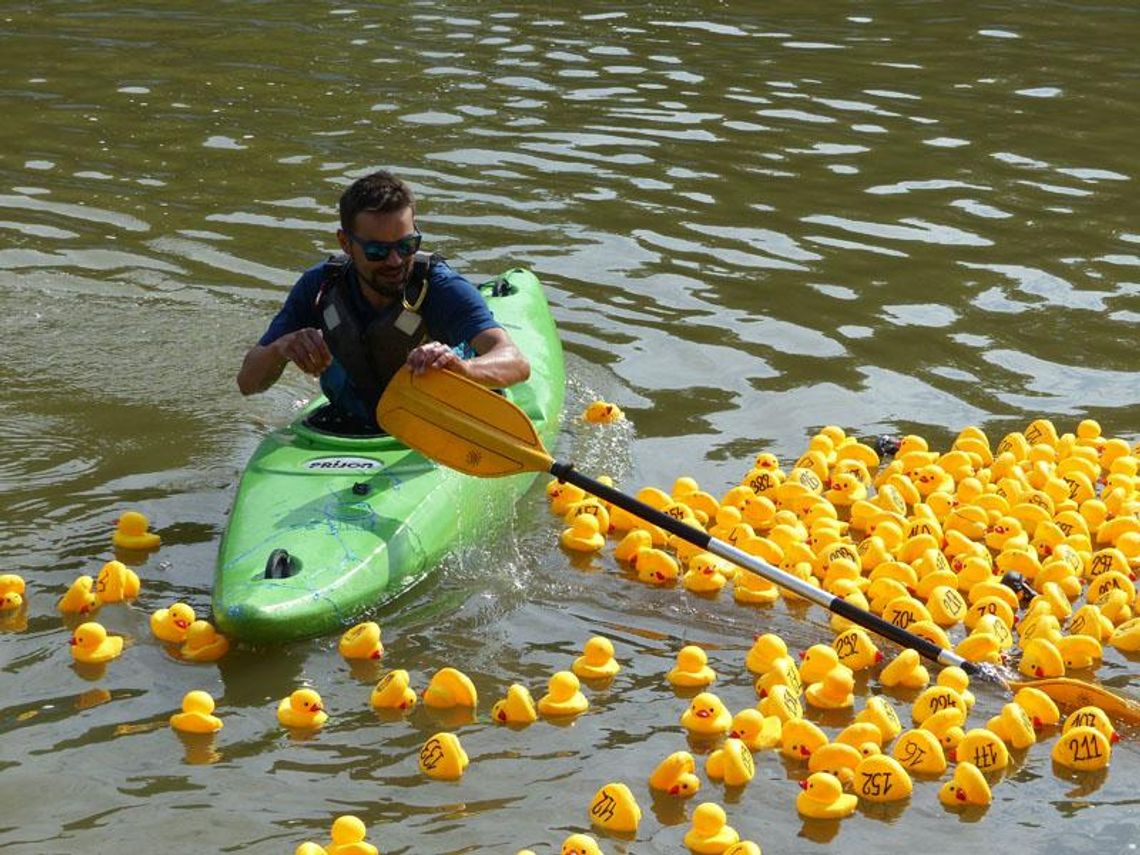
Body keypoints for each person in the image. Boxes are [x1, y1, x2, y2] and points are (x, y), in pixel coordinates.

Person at [237, 170, 530, 431]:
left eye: (407, 245)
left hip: (439, 421)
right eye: (377, 250)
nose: (396, 260)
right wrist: (281, 348)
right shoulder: (320, 287)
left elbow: (516, 363)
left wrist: (464, 370)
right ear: (345, 243)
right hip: (353, 425)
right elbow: (248, 384)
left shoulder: (441, 289)